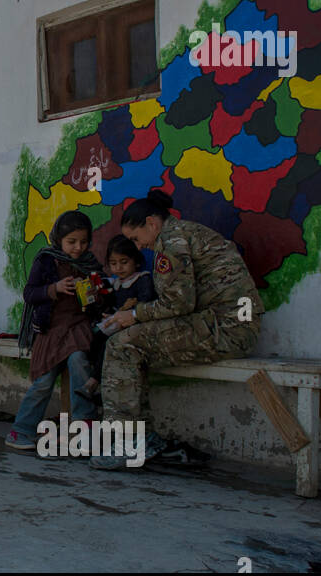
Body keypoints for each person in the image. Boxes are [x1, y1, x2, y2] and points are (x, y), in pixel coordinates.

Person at [90, 190, 264, 470]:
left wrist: (132, 315)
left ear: (152, 224)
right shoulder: (186, 232)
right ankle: (143, 439)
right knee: (135, 350)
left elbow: (178, 303)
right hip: (235, 325)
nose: (138, 246)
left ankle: (126, 443)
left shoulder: (170, 243)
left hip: (225, 328)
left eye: (136, 238)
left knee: (122, 346)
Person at [5, 211, 103, 453]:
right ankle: (21, 430)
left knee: (79, 362)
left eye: (83, 241)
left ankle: (84, 432)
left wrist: (93, 295)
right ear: (58, 239)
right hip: (51, 330)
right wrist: (54, 288)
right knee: (43, 380)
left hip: (78, 328)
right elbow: (30, 294)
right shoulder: (46, 259)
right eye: (72, 242)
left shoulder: (90, 264)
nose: (78, 248)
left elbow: (100, 303)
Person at [78, 234, 157, 400]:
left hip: (134, 326)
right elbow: (108, 302)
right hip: (115, 323)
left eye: (124, 262)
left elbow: (146, 303)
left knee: (108, 344)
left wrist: (130, 311)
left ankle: (93, 382)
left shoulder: (142, 280)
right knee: (95, 340)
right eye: (113, 264)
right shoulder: (115, 283)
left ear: (136, 261)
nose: (119, 268)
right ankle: (103, 384)